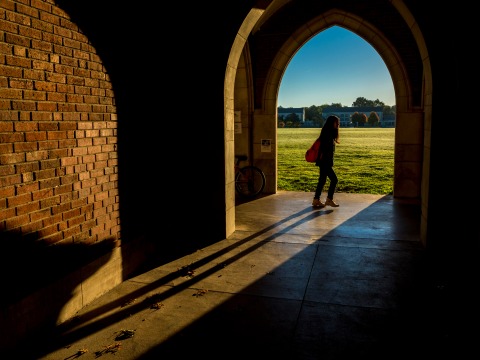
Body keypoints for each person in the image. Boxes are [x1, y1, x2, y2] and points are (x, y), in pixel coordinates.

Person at [312, 115, 340, 208]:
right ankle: (329, 199)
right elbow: (326, 151)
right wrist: (328, 163)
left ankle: (316, 200)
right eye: (336, 122)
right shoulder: (328, 134)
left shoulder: (326, 132)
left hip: (323, 162)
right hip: (325, 162)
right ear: (332, 123)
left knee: (322, 180)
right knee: (334, 180)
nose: (338, 124)